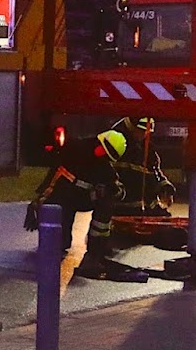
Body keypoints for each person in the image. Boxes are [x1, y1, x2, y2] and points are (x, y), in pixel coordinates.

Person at [24, 128, 149, 283]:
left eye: (107, 156)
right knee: (56, 241)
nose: (101, 155)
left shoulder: (105, 168)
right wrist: (39, 202)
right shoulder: (74, 149)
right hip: (63, 198)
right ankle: (57, 241)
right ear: (98, 141)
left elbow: (119, 191)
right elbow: (54, 177)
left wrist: (112, 190)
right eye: (102, 150)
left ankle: (96, 250)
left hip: (83, 199)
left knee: (106, 201)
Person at [107, 116, 176, 216]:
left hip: (141, 207)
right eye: (142, 131)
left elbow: (154, 172)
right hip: (119, 207)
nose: (144, 135)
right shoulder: (116, 144)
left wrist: (165, 189)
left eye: (147, 132)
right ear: (131, 127)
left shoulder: (146, 149)